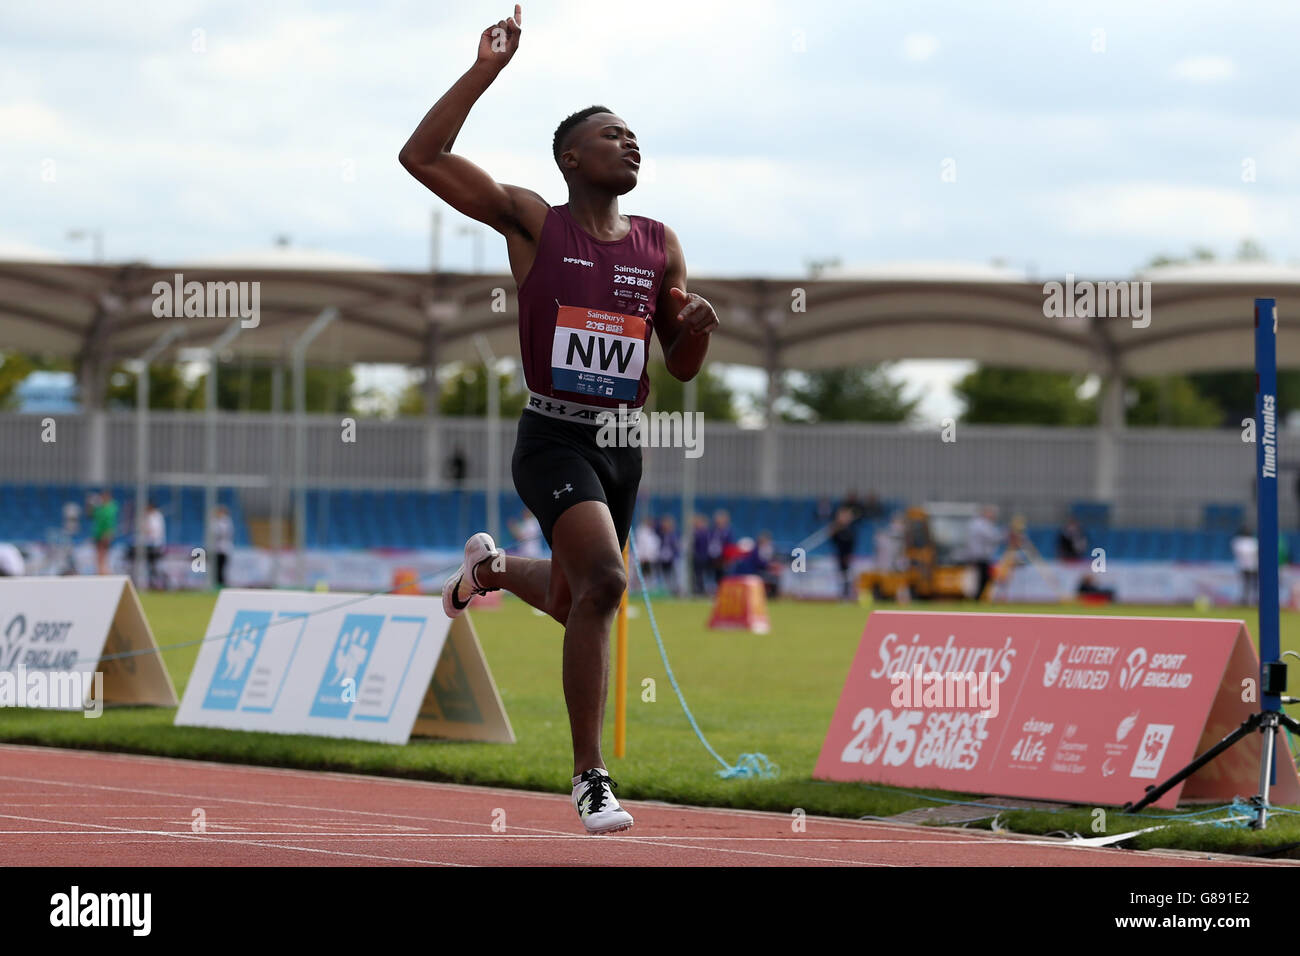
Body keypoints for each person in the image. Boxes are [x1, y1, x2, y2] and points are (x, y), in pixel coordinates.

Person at [401, 4, 719, 835]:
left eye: (636, 136)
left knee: (578, 591)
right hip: (553, 435)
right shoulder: (536, 221)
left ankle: (493, 573)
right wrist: (486, 70)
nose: (632, 144)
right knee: (608, 584)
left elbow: (678, 368)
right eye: (614, 135)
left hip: (623, 444)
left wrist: (692, 335)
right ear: (572, 158)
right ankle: (590, 778)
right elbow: (420, 157)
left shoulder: (660, 244)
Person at [967, 506, 1003, 600]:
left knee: (984, 578)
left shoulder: (981, 524)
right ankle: (977, 597)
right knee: (983, 578)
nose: (993, 516)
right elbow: (992, 537)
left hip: (982, 556)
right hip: (980, 556)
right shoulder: (980, 524)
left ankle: (978, 597)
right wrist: (1005, 535)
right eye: (991, 513)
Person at [88, 490, 117, 575]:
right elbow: (91, 515)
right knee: (99, 558)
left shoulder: (111, 508)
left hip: (105, 535)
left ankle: (104, 574)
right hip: (98, 535)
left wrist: (108, 534)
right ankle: (101, 573)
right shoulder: (101, 508)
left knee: (103, 557)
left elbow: (110, 523)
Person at [1231, 527, 1259, 607]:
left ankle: (1248, 600)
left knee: (1248, 585)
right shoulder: (1253, 542)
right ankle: (1248, 600)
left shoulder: (1238, 542)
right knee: (1250, 585)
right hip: (1251, 566)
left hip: (1247, 566)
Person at [143, 501, 166, 590]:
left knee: (156, 566)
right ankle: (153, 583)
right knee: (151, 566)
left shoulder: (156, 517)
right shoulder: (149, 516)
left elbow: (154, 532)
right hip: (150, 544)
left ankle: (160, 584)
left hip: (156, 545)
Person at [633, 515, 660, 591]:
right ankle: (638, 589)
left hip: (649, 558)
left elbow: (652, 546)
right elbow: (641, 545)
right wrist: (642, 556)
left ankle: (646, 588)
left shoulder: (651, 533)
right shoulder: (642, 533)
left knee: (648, 575)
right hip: (642, 557)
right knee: (640, 575)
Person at [656, 515, 680, 596]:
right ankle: (666, 590)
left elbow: (676, 546)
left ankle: (675, 590)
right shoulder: (660, 534)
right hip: (663, 557)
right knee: (665, 574)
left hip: (672, 557)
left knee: (674, 574)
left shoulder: (674, 534)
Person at [211, 505, 234, 588]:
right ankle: (218, 583)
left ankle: (221, 584)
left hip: (223, 548)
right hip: (218, 548)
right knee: (217, 567)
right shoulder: (217, 521)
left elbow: (221, 533)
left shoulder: (225, 521)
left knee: (222, 567)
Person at [691, 513, 712, 596]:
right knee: (697, 574)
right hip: (697, 556)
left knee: (702, 574)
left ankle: (703, 589)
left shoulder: (705, 533)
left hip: (703, 556)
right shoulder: (696, 532)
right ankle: (699, 589)